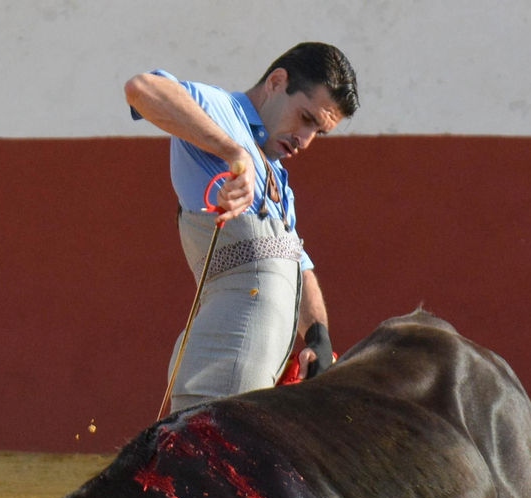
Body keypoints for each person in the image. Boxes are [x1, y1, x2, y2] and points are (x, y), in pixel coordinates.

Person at [125, 42, 358, 413]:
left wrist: (318, 336)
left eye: (319, 132)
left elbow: (296, 259)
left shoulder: (278, 178)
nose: (306, 140)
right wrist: (234, 152)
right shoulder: (220, 108)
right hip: (221, 361)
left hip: (259, 373)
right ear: (276, 82)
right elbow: (142, 90)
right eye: (306, 118)